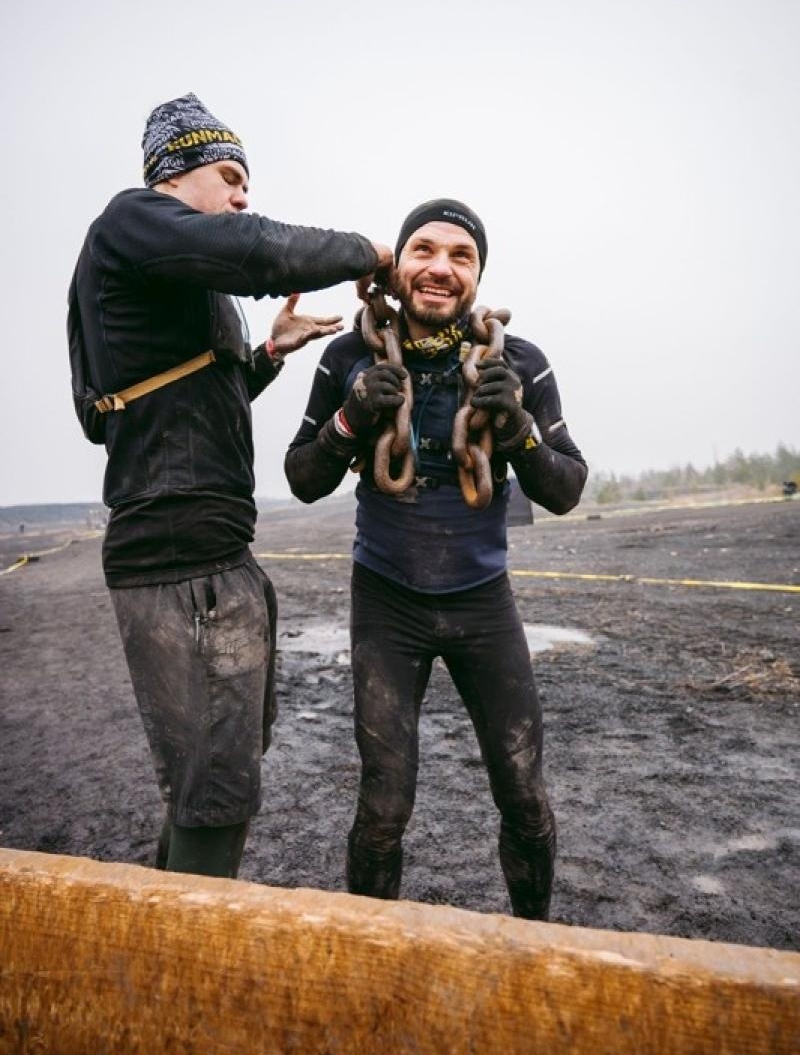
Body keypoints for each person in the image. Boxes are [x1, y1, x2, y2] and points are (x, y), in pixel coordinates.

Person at [68, 92, 393, 879]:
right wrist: (368, 253)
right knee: (215, 791)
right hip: (183, 568)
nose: (245, 195)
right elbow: (255, 251)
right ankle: (176, 981)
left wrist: (267, 356)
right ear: (173, 176)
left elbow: (160, 407)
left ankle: (161, 941)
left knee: (211, 777)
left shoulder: (163, 276)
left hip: (211, 553)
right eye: (229, 174)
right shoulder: (129, 222)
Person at [284, 198, 587, 919]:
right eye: (424, 250)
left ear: (478, 276)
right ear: (398, 264)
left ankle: (534, 941)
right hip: (387, 601)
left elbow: (567, 486)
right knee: (385, 800)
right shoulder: (349, 358)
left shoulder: (520, 363)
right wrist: (351, 419)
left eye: (462, 256)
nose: (441, 268)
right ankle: (372, 952)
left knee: (522, 790)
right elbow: (302, 479)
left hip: (484, 602)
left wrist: (515, 429)